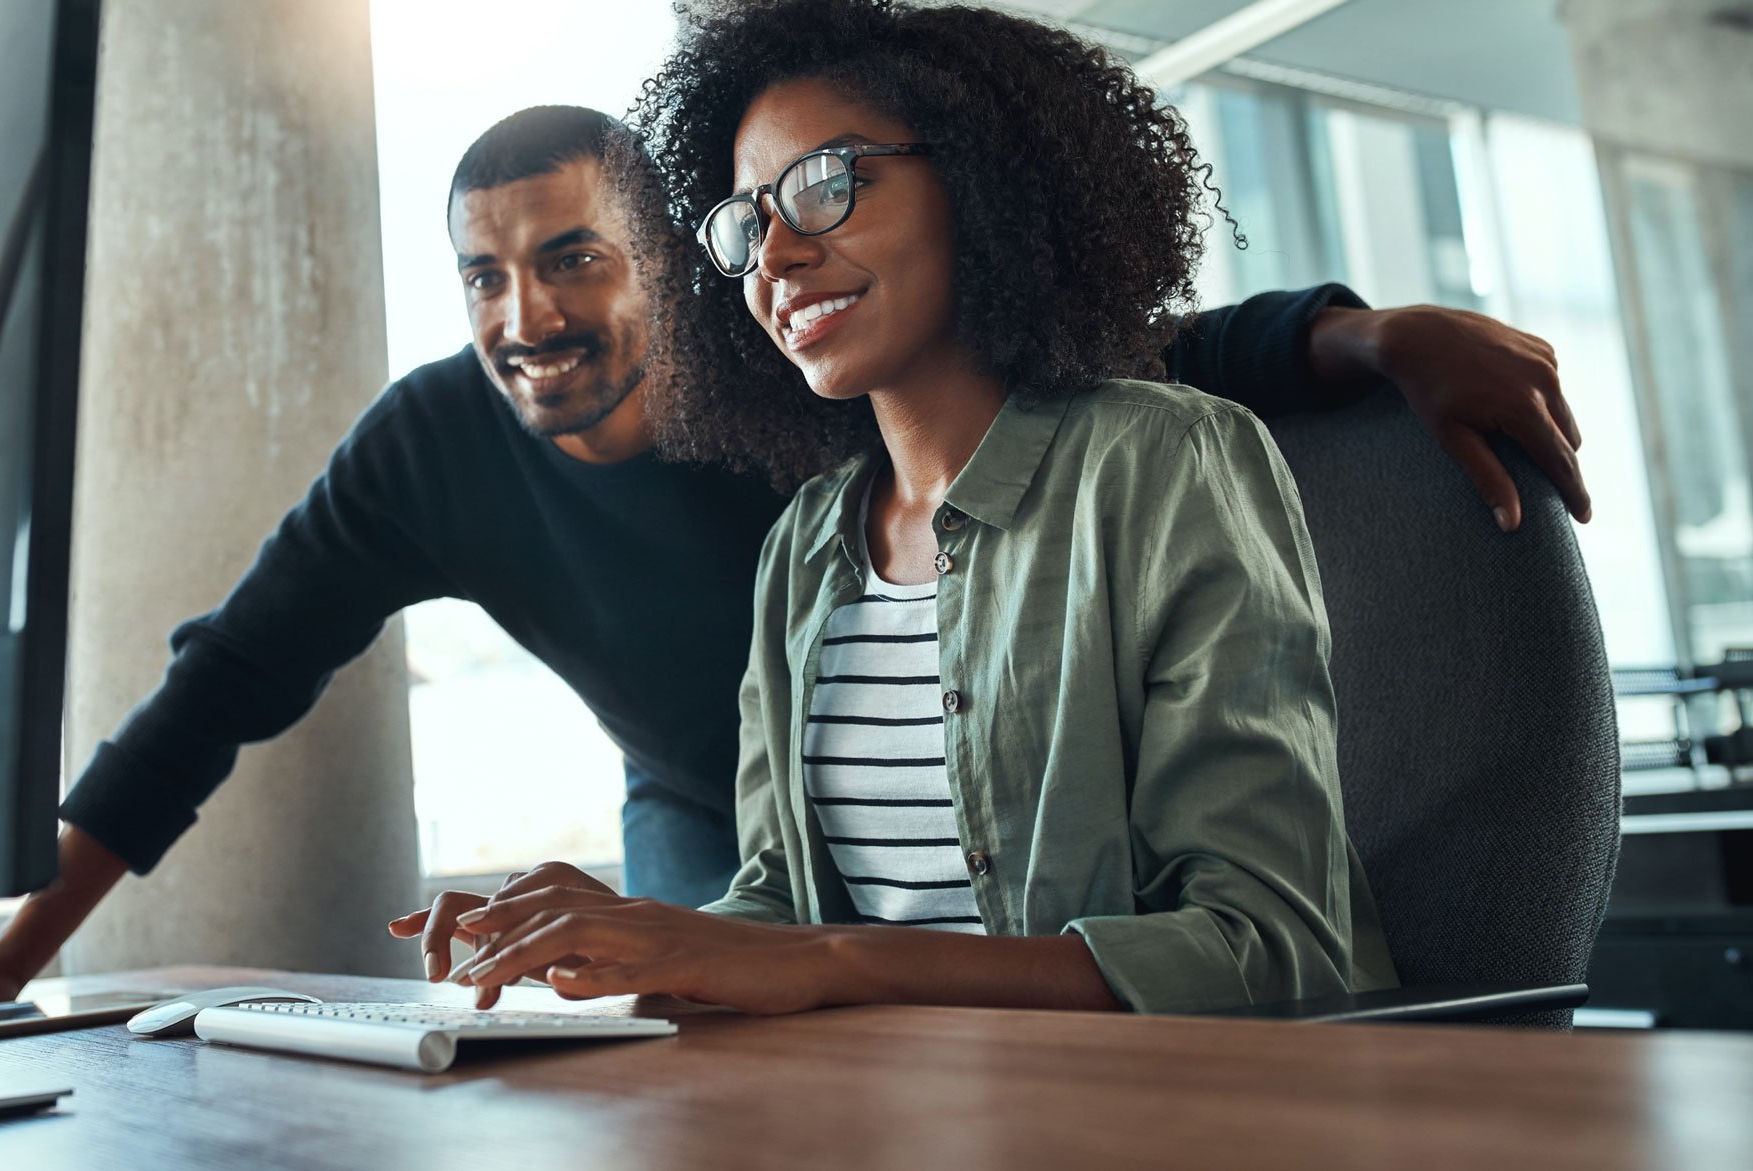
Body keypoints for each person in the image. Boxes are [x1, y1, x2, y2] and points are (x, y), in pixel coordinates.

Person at [0, 80, 1574, 1032]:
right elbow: (223, 679)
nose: (523, 313)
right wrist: (18, 952)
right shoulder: (438, 447)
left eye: (572, 258)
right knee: (666, 1039)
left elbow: (1121, 356)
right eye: (482, 270)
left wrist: (1365, 333)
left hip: (1005, 815)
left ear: (667, 262)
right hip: (732, 825)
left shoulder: (797, 380)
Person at [400, 0, 1406, 1015]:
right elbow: (784, 909)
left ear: (976, 177)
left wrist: (846, 961)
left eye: (827, 184)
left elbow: (1273, 951)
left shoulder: (1164, 461)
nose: (776, 256)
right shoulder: (804, 545)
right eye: (748, 224)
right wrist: (628, 940)